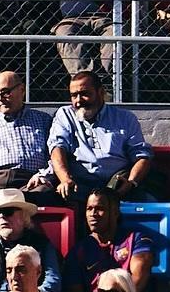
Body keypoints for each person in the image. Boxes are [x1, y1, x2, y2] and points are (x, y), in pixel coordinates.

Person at [47, 72, 156, 201]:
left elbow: (142, 156)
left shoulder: (125, 118)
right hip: (79, 184)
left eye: (84, 94)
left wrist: (131, 182)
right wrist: (65, 179)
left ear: (101, 92)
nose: (78, 100)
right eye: (74, 95)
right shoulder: (65, 114)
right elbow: (57, 148)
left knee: (149, 202)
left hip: (117, 183)